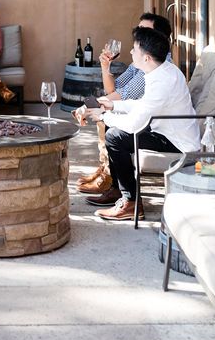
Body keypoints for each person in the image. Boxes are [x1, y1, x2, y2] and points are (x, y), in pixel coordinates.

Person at [75, 28, 200, 222]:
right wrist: (112, 105)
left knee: (114, 136)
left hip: (175, 140)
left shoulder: (163, 81)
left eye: (135, 49)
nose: (131, 53)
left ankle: (131, 202)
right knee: (113, 129)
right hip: (163, 128)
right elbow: (143, 105)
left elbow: (134, 125)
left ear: (147, 58)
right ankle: (119, 190)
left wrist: (103, 115)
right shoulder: (160, 71)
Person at [76, 13, 172, 195]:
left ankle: (120, 189)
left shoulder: (158, 70)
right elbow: (115, 90)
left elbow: (124, 97)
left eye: (144, 31)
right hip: (149, 118)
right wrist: (106, 68)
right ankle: (110, 175)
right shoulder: (147, 64)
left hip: (160, 129)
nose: (137, 37)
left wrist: (102, 109)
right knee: (109, 120)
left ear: (157, 38)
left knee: (113, 131)